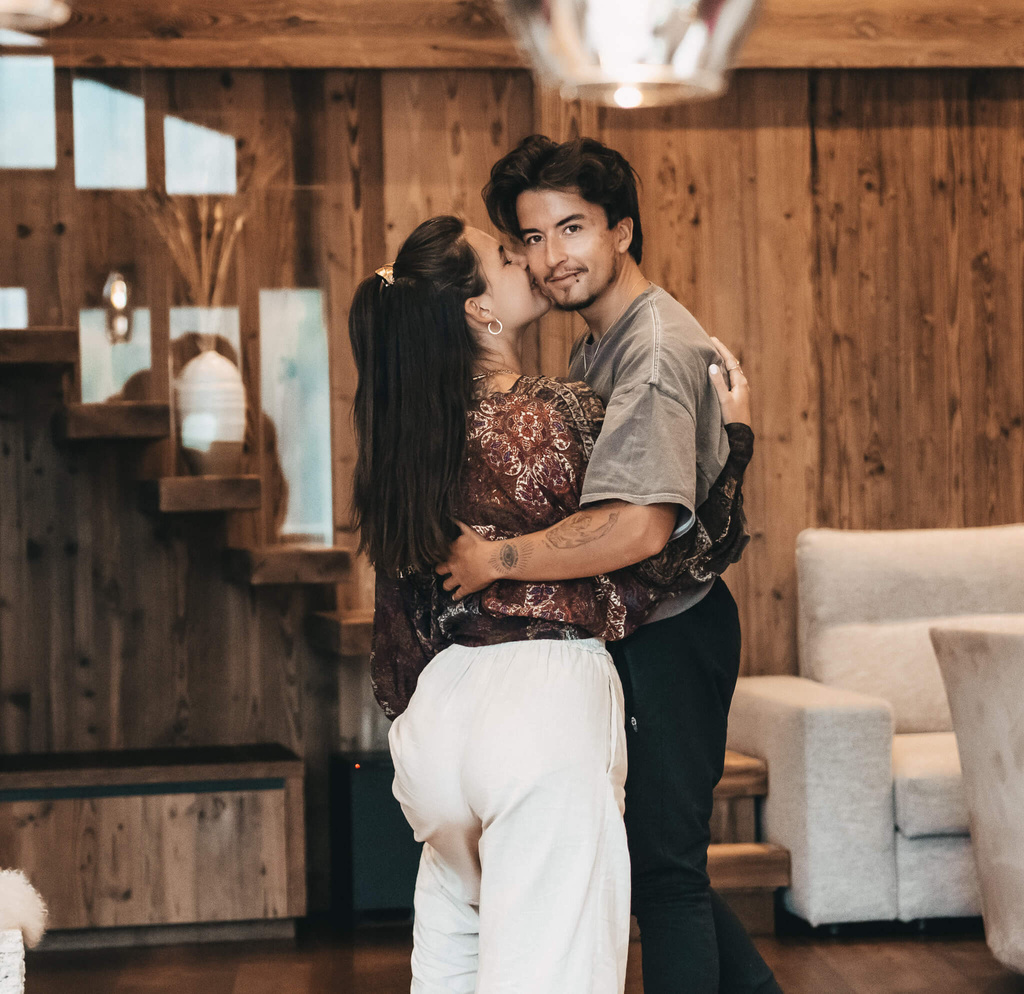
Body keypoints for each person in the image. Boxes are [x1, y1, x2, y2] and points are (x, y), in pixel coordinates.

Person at [349, 214, 754, 994]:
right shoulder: (556, 415)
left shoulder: (406, 442)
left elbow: (397, 629)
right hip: (539, 712)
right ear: (480, 310)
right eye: (508, 256)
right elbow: (667, 552)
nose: (530, 261)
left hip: (435, 724)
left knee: (451, 972)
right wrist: (733, 443)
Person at [437, 136, 782, 994]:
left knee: (666, 876)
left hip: (674, 633)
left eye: (573, 228)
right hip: (646, 628)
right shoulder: (601, 344)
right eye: (533, 237)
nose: (553, 256)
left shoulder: (651, 352)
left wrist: (496, 559)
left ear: (621, 231)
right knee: (662, 864)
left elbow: (637, 526)